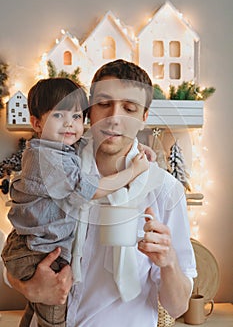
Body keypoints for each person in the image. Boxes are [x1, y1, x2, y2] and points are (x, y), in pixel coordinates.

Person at [6, 60, 197, 327]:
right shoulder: (57, 163)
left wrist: (169, 263)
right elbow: (19, 245)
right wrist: (28, 287)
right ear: (89, 112)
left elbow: (177, 306)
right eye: (104, 104)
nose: (114, 117)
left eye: (129, 108)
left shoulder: (164, 190)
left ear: (143, 118)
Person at [1, 77, 149, 327]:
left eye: (78, 116)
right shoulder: (45, 157)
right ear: (36, 123)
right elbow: (88, 190)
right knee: (54, 317)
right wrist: (132, 171)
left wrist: (136, 147)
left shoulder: (61, 147)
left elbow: (99, 140)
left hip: (37, 247)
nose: (70, 123)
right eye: (59, 115)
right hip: (37, 252)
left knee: (36, 312)